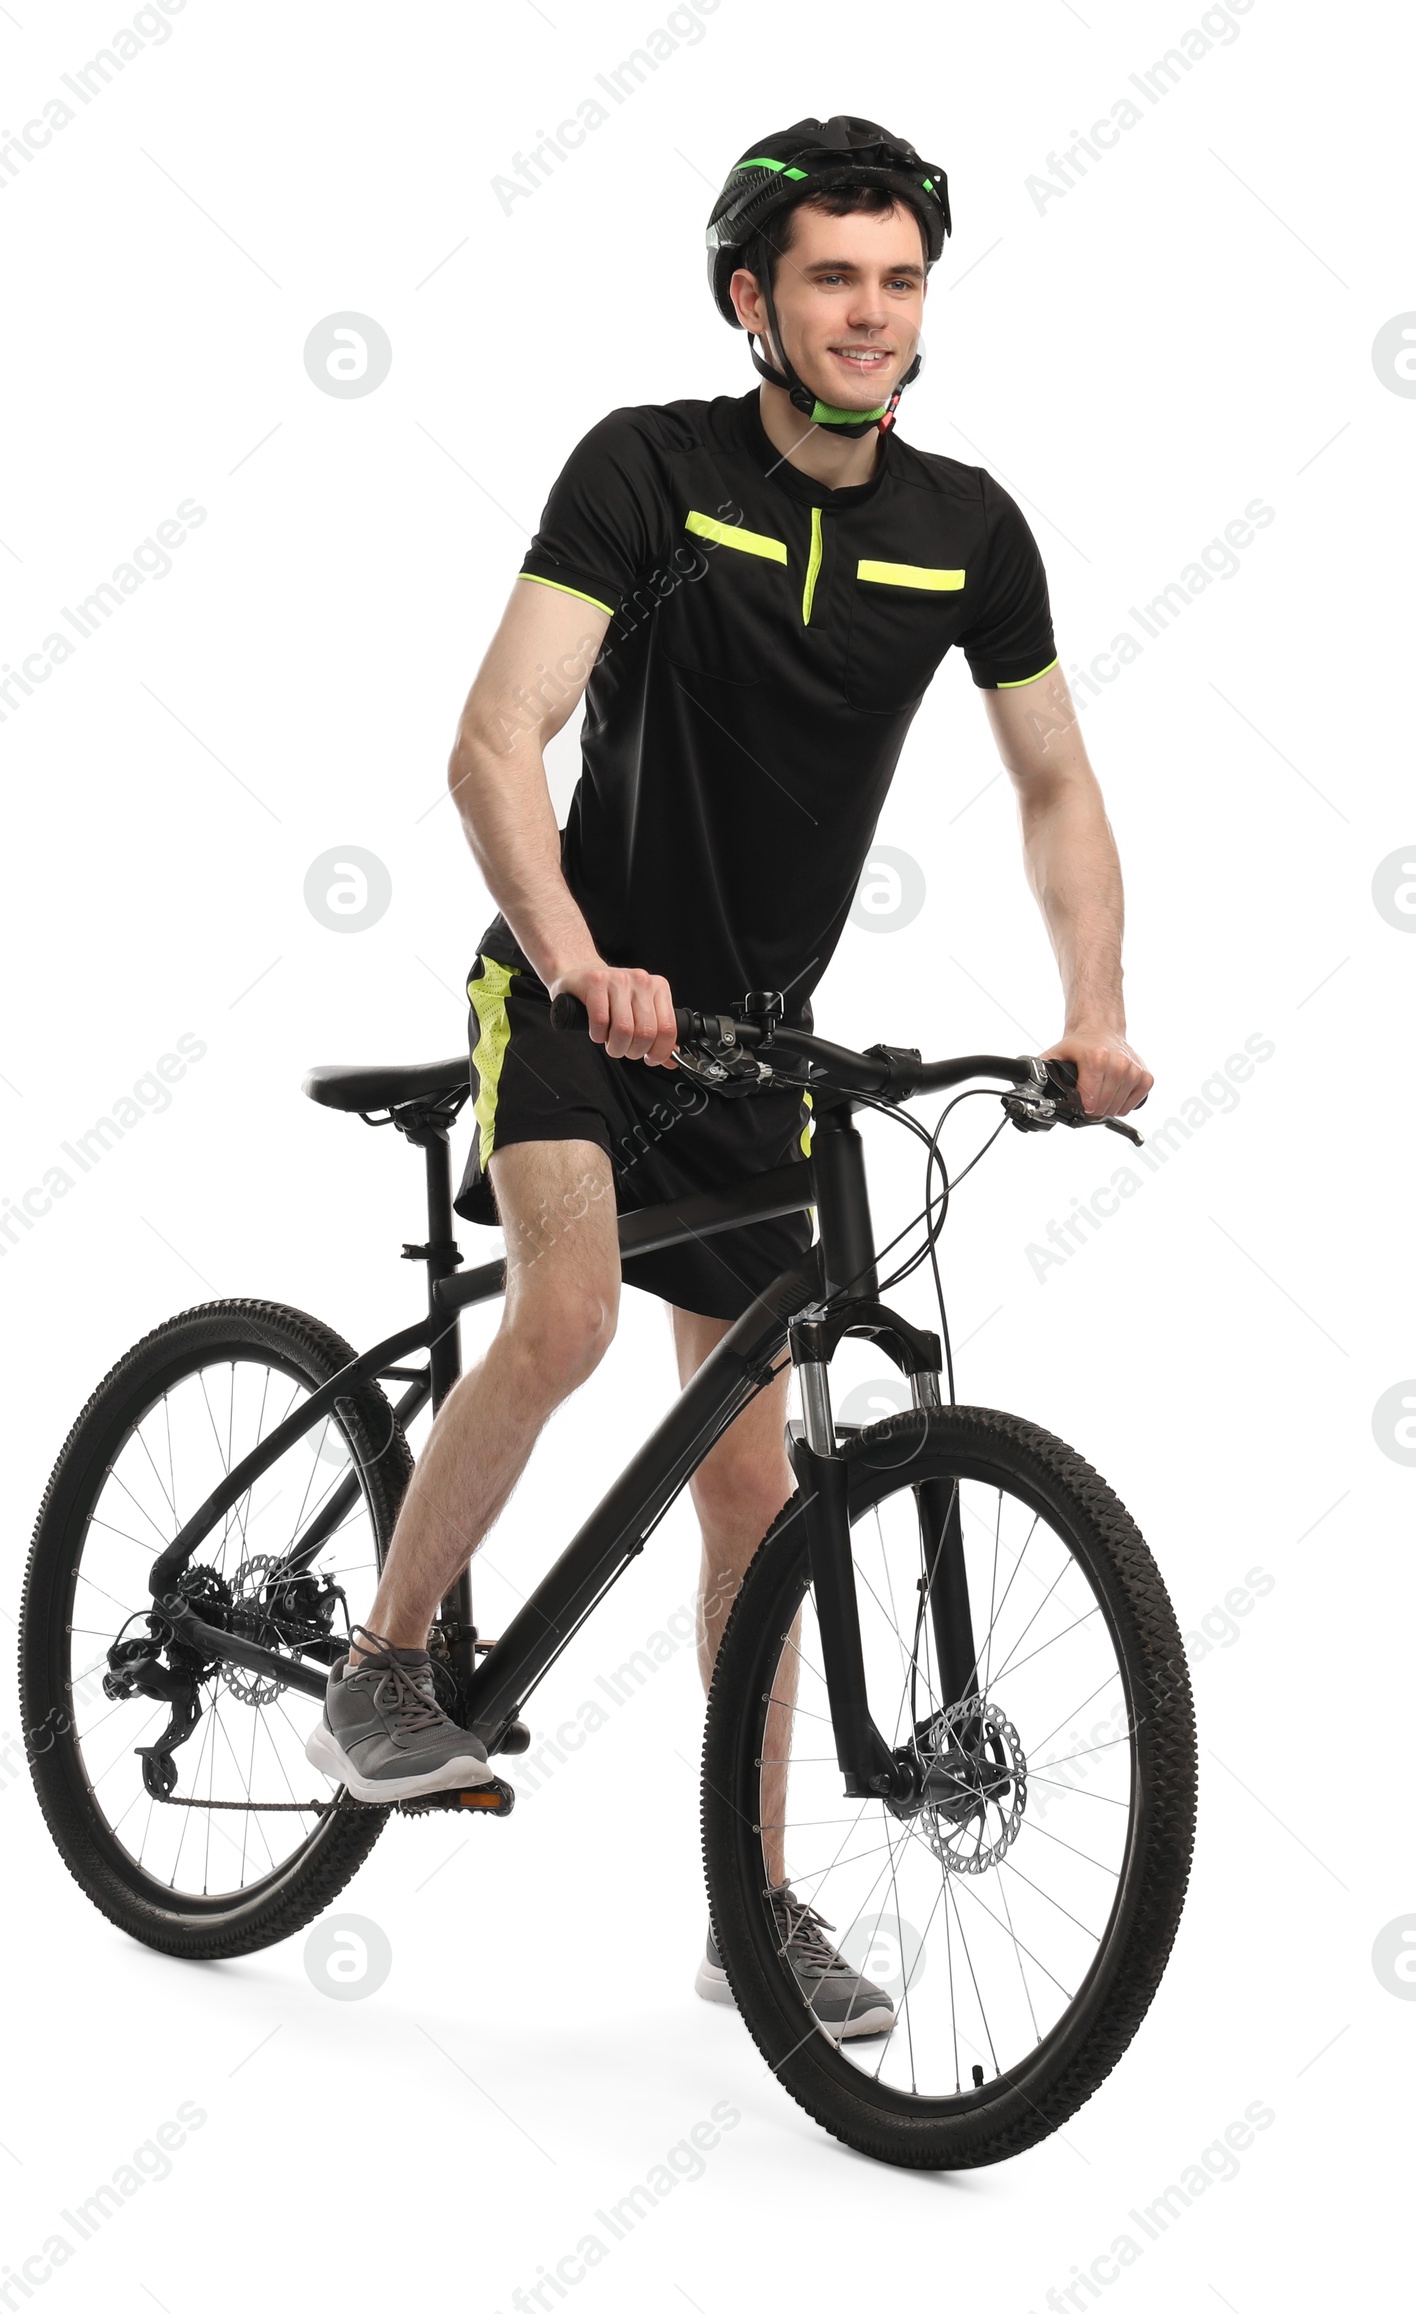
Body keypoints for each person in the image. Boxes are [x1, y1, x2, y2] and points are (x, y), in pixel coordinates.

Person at [305, 114, 1152, 2037]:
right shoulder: (651, 471)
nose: (872, 313)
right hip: (575, 1001)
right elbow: (496, 737)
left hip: (756, 1046)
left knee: (758, 1489)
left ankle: (750, 1907)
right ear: (754, 299)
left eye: (900, 280)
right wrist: (572, 955)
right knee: (576, 1307)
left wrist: (1093, 1008)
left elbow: (1054, 781)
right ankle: (380, 1661)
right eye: (834, 278)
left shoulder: (965, 529)